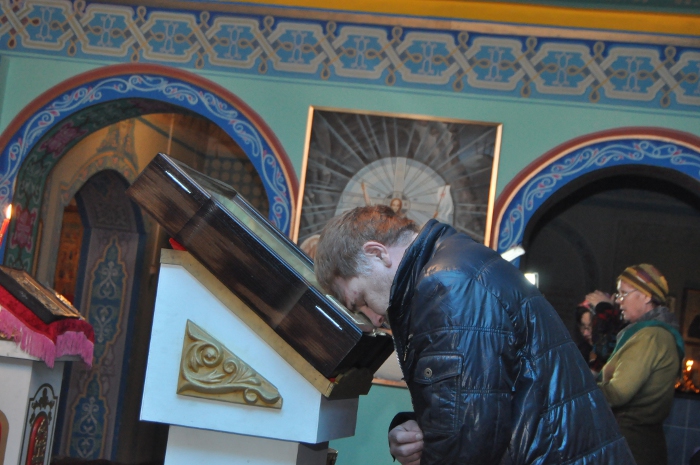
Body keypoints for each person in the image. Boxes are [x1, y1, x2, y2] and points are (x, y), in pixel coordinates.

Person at [314, 205, 634, 464]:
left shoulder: (446, 284)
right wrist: (420, 429)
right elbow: (483, 403)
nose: (373, 317)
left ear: (377, 253)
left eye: (361, 300)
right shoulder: (454, 263)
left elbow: (467, 444)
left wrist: (439, 435)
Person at [597, 264, 685, 465]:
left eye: (624, 294)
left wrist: (580, 387)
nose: (618, 301)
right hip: (638, 446)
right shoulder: (655, 333)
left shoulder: (650, 336)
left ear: (646, 296)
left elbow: (618, 393)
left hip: (631, 449)